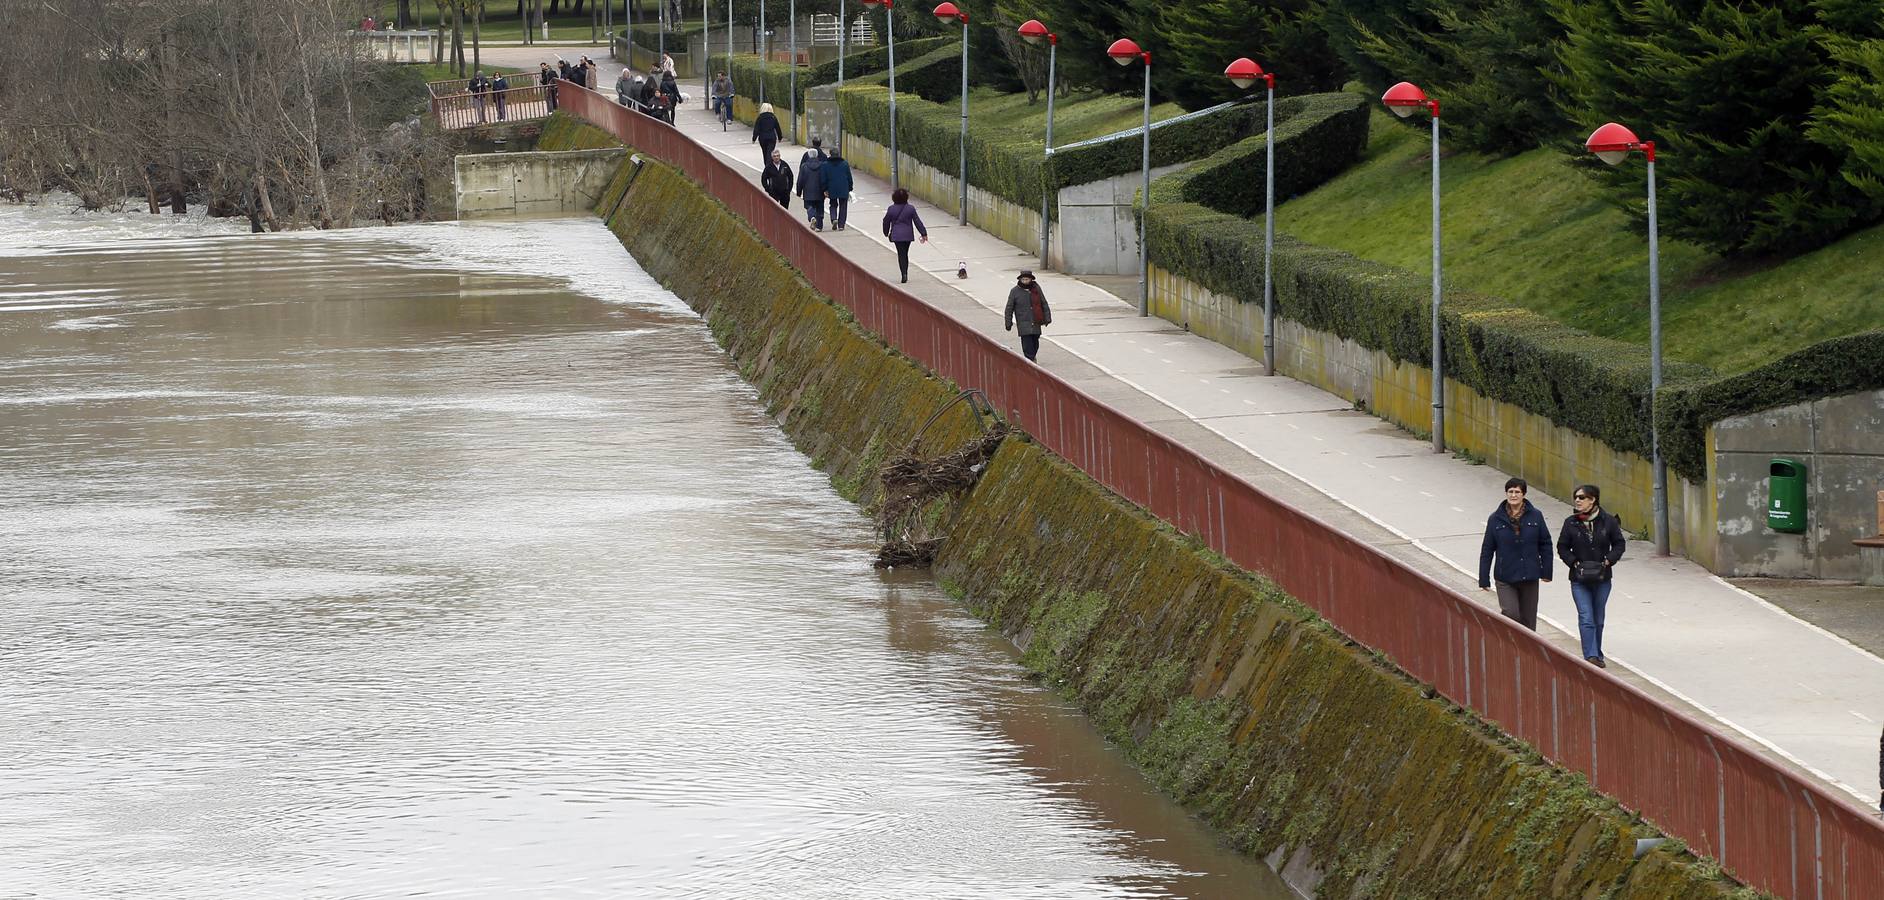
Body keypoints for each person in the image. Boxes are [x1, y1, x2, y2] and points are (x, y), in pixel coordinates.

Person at [1557, 484, 1627, 668]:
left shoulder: (1608, 521)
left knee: (1598, 619)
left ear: (1593, 499)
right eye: (1576, 498)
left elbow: (1619, 544)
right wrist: (1573, 562)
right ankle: (1591, 656)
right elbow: (1562, 547)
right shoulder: (1570, 522)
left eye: (1581, 497)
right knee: (1586, 617)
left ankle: (1598, 652)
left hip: (1602, 578)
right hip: (1579, 579)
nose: (1577, 501)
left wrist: (1608, 560)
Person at [1477, 477, 1553, 630]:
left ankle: (1528, 652)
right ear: (1506, 494)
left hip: (1529, 575)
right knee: (1511, 614)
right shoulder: (1495, 519)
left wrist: (1546, 571)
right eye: (1510, 492)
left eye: (1517, 492)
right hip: (1505, 576)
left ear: (1523, 494)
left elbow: (1545, 544)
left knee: (1528, 622)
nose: (1513, 495)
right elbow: (1487, 550)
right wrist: (1483, 578)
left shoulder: (1536, 516)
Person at [881, 188, 928, 283]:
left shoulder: (891, 209)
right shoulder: (910, 208)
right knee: (905, 253)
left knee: (901, 254)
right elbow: (917, 221)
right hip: (908, 236)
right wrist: (923, 233)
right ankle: (905, 272)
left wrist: (886, 232)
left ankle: (904, 274)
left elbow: (885, 221)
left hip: (897, 236)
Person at [1004, 271, 1052, 362]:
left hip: (1036, 320)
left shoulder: (1036, 289)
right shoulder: (1014, 291)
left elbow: (1043, 303)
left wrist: (1047, 318)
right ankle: (1030, 360)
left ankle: (1032, 357)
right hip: (1023, 322)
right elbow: (1009, 308)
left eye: (1027, 279)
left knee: (1035, 342)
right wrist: (1008, 322)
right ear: (1020, 280)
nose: (1025, 281)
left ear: (1031, 279)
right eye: (1023, 279)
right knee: (1027, 343)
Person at [795, 143, 826, 230]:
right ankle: (819, 226)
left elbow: (800, 180)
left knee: (809, 206)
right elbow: (824, 179)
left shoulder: (804, 166)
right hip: (819, 191)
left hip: (808, 191)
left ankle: (812, 217)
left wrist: (798, 191)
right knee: (820, 207)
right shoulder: (822, 165)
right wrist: (826, 189)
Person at [821, 152, 853, 231]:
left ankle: (833, 218)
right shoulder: (845, 164)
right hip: (843, 187)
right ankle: (841, 225)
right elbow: (849, 177)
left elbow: (823, 178)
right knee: (843, 206)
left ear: (830, 154)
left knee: (833, 204)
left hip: (832, 187)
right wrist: (850, 188)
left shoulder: (825, 165)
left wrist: (824, 189)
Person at [752, 102, 783, 168]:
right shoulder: (773, 117)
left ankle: (767, 166)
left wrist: (754, 138)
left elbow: (756, 129)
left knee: (765, 153)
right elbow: (777, 127)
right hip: (771, 137)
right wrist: (780, 137)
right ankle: (769, 167)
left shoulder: (760, 117)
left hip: (763, 138)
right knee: (770, 153)